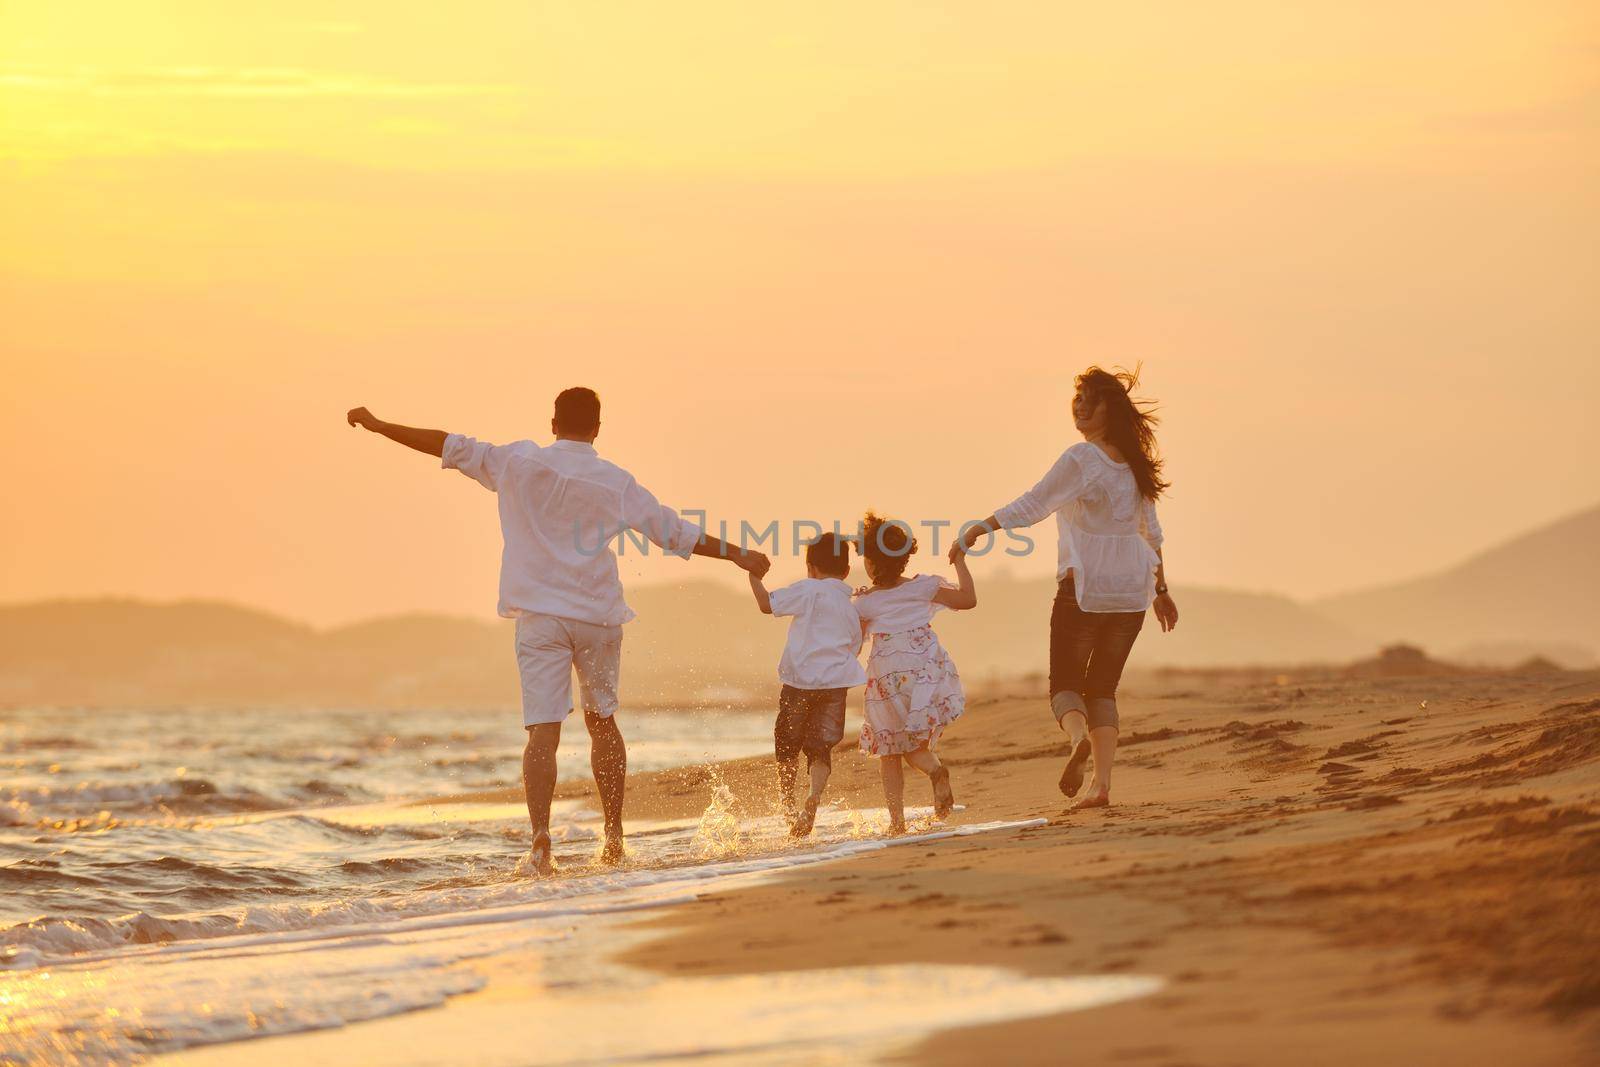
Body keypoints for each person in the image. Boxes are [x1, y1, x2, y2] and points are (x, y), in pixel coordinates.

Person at [345, 388, 770, 875]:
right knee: (602, 721)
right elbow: (674, 532)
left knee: (542, 734)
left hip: (539, 619)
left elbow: (443, 443)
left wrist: (381, 426)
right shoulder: (615, 481)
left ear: (553, 423)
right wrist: (739, 553)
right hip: (597, 617)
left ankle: (541, 841)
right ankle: (613, 837)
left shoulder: (516, 462)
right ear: (597, 428)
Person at [951, 366, 1178, 810]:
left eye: (1090, 399)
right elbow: (1152, 534)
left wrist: (983, 526)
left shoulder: (1082, 458)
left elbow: (1036, 502)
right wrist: (1162, 590)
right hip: (1131, 593)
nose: (1079, 405)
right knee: (1104, 689)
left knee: (1065, 687)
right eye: (1077, 397)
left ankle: (1078, 740)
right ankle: (1102, 785)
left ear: (1109, 409)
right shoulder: (1135, 467)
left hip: (1085, 590)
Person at [854, 512, 975, 833]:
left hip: (887, 675)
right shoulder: (923, 586)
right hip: (923, 669)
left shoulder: (865, 603)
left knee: (890, 751)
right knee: (914, 745)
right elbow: (968, 600)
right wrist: (960, 561)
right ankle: (935, 771)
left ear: (871, 562)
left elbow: (852, 645)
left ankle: (897, 823)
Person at [746, 532, 866, 837]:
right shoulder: (849, 604)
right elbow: (855, 645)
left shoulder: (808, 590)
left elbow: (765, 605)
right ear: (847, 571)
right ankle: (813, 796)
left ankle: (788, 805)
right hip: (835, 685)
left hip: (799, 682)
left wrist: (754, 577)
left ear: (810, 568)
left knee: (786, 743)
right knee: (819, 748)